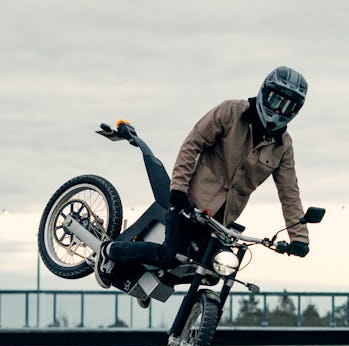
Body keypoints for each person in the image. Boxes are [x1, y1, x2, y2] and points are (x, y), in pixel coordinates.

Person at [94, 65, 310, 291]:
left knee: (212, 274)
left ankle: (158, 287)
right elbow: (192, 145)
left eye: (288, 106)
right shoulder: (230, 112)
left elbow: (289, 193)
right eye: (276, 100)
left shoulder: (283, 146)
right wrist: (178, 189)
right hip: (191, 203)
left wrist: (299, 238)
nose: (279, 111)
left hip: (222, 220)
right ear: (265, 92)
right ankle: (111, 250)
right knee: (171, 255)